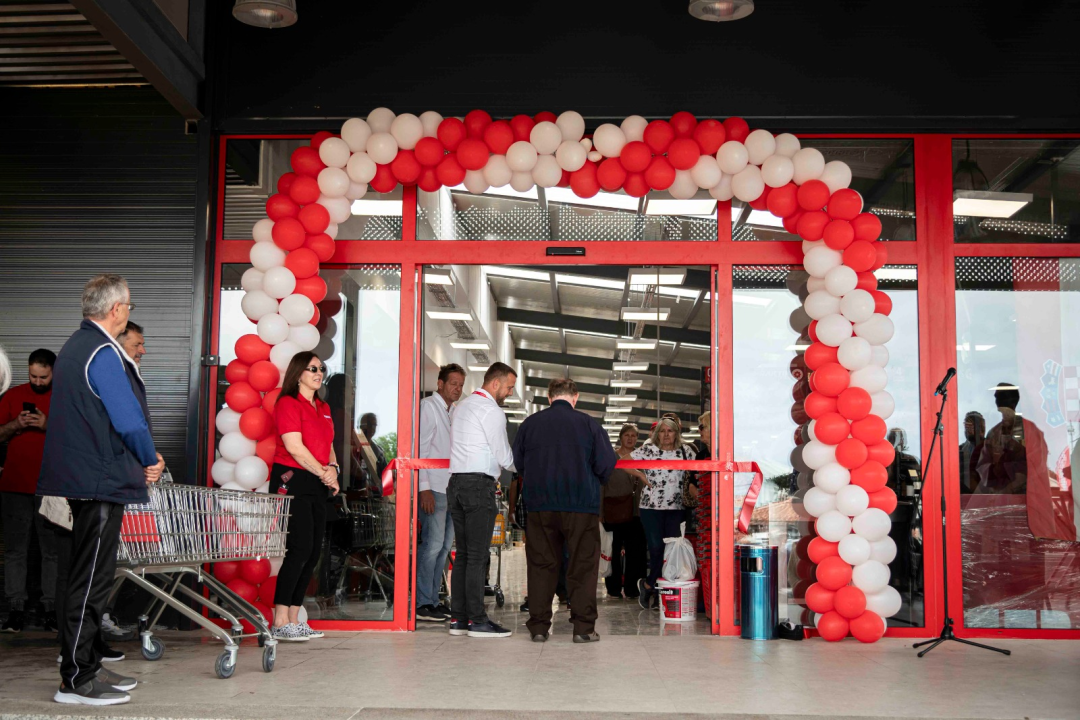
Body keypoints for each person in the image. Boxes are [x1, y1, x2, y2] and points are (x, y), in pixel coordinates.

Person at [37, 274, 165, 705]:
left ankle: (86, 664)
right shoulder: (101, 351)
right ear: (115, 310)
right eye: (129, 306)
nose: (130, 312)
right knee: (90, 580)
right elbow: (128, 419)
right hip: (98, 480)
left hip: (91, 478)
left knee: (91, 578)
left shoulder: (77, 345)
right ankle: (76, 678)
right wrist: (150, 458)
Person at [513, 378, 616, 643]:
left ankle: (538, 627)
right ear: (575, 396)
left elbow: (519, 464)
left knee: (541, 565)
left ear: (549, 398)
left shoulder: (530, 425)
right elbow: (606, 465)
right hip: (580, 506)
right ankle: (583, 629)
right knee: (582, 565)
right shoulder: (589, 424)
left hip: (540, 507)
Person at [269, 351, 340, 642]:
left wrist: (333, 468)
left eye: (321, 368)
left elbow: (330, 444)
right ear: (298, 373)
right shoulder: (287, 403)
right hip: (292, 479)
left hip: (318, 480)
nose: (318, 373)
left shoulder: (323, 407)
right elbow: (294, 447)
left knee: (312, 552)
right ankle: (279, 620)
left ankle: (295, 619)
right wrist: (324, 472)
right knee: (298, 549)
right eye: (312, 368)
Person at [446, 362, 517, 638]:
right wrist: (525, 466)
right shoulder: (492, 411)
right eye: (509, 387)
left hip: (456, 484)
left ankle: (459, 619)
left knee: (463, 555)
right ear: (496, 383)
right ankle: (477, 621)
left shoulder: (461, 407)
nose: (509, 393)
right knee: (477, 556)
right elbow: (504, 456)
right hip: (478, 486)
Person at [0, 349, 60, 633]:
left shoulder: (66, 396)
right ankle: (15, 611)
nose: (37, 382)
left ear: (54, 372)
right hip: (14, 486)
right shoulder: (12, 396)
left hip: (52, 487)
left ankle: (51, 610)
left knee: (52, 552)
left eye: (43, 376)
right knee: (15, 550)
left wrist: (48, 425)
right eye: (32, 376)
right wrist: (16, 424)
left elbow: (79, 438)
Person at [975, 382, 1072, 540]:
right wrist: (996, 470)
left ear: (1014, 401)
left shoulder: (1031, 430)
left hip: (1028, 501)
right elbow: (983, 467)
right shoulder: (994, 433)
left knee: (1032, 554)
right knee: (1002, 548)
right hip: (1001, 504)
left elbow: (1036, 465)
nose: (998, 401)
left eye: (1002, 397)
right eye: (998, 397)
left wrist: (1012, 461)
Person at [415, 363, 465, 622]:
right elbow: (421, 450)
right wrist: (423, 489)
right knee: (432, 545)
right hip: (433, 487)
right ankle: (422, 602)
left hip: (449, 487)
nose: (457, 388)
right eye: (453, 383)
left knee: (445, 547)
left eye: (461, 385)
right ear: (440, 384)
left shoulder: (453, 411)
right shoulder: (428, 408)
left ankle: (433, 599)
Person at [633, 416, 696, 609]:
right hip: (650, 507)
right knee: (656, 548)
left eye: (670, 431)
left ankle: (654, 585)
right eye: (662, 431)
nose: (666, 434)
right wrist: (641, 476)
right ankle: (652, 585)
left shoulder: (686, 451)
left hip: (676, 508)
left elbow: (696, 474)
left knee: (672, 549)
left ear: (676, 433)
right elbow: (623, 461)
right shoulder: (648, 450)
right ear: (657, 433)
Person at [601, 423, 648, 601]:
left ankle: (632, 588)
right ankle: (613, 588)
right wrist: (600, 513)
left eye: (634, 436)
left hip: (636, 512)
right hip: (613, 511)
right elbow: (602, 485)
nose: (630, 438)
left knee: (635, 551)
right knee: (612, 550)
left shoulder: (641, 457)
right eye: (627, 435)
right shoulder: (610, 457)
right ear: (621, 437)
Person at [959, 411, 986, 495]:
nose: (967, 429)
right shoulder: (959, 450)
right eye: (966, 426)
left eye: (971, 426)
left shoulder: (991, 448)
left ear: (981, 428)